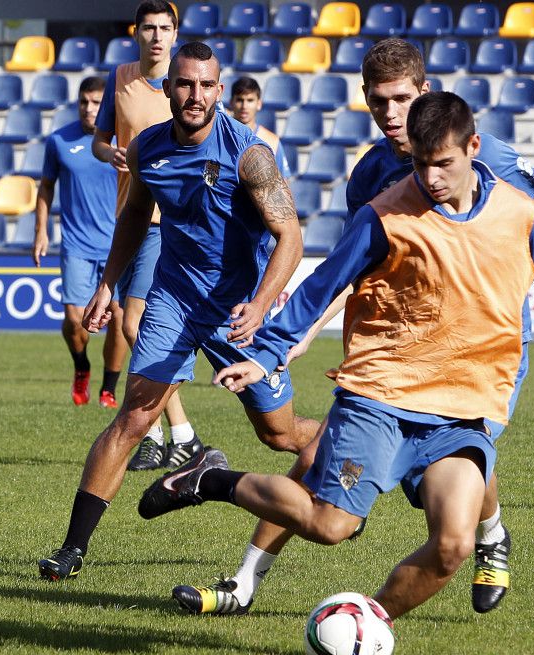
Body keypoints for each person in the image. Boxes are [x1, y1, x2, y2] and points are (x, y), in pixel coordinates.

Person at [138, 91, 534, 624]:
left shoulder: (520, 216)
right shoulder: (386, 213)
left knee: (451, 547)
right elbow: (324, 285)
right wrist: (269, 351)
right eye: (421, 163)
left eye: (444, 163)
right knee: (330, 525)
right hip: (382, 394)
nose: (432, 177)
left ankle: (364, 625)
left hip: (463, 408)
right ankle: (215, 481)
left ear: (474, 148)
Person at [37, 41, 321, 582]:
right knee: (135, 417)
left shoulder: (249, 154)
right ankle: (72, 549)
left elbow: (291, 237)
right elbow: (134, 215)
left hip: (239, 312)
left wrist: (260, 306)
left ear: (219, 90)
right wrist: (107, 284)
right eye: (184, 84)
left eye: (205, 85)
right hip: (172, 299)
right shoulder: (147, 147)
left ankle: (345, 438)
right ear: (167, 88)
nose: (194, 95)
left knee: (279, 435)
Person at [92, 0, 200, 472]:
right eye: (149, 28)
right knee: (124, 321)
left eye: (165, 28)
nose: (157, 36)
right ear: (135, 33)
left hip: (165, 221)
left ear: (176, 34)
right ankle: (167, 435)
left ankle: (176, 435)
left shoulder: (186, 86)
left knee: (135, 323)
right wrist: (109, 154)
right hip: (128, 216)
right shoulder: (120, 78)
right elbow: (100, 138)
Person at [33, 75, 127, 409]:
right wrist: (41, 230)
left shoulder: (122, 141)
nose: (89, 109)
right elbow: (45, 187)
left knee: (118, 318)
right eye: (84, 102)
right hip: (76, 245)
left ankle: (108, 388)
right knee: (76, 321)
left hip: (118, 245)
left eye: (97, 102)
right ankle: (82, 366)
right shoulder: (59, 141)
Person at [228, 76, 292, 179]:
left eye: (250, 100)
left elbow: (284, 182)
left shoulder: (271, 141)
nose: (244, 106)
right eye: (240, 100)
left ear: (259, 104)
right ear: (231, 102)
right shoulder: (220, 135)